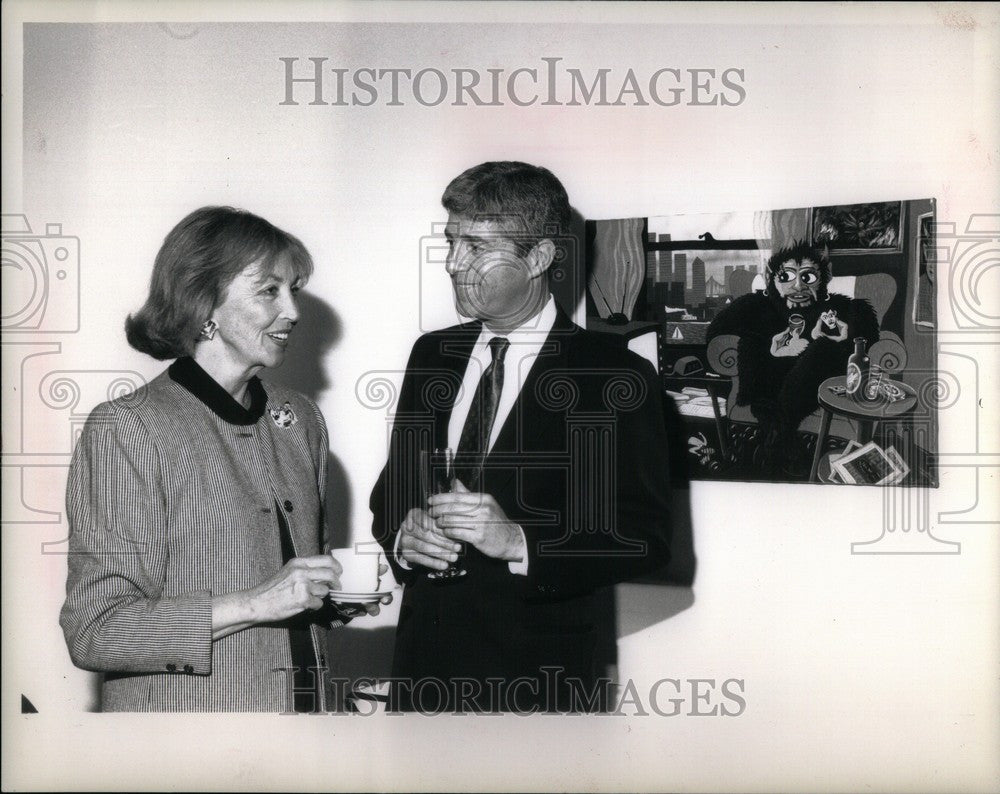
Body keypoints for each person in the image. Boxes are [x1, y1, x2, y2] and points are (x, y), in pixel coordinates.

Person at [370, 162, 673, 713]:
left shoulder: (614, 376)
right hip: (421, 675)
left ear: (538, 258)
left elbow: (644, 537)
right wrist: (403, 538)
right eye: (451, 242)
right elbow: (391, 493)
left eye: (477, 248)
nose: (453, 264)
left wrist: (518, 542)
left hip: (536, 686)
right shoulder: (431, 356)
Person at [61, 206, 365, 712]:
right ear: (204, 304)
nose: (292, 310)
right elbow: (97, 630)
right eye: (269, 290)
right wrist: (257, 603)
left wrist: (328, 601)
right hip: (187, 744)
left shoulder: (299, 419)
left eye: (293, 290)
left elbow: (295, 592)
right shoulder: (127, 428)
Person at [706, 241, 879, 472]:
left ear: (823, 280)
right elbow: (715, 335)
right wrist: (772, 345)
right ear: (772, 279)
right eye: (786, 276)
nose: (797, 286)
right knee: (751, 341)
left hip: (811, 388)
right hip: (766, 388)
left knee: (822, 348)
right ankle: (782, 439)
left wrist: (844, 338)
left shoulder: (841, 308)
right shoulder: (756, 305)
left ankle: (776, 436)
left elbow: (870, 343)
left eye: (808, 277)